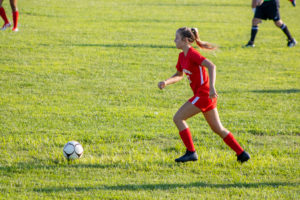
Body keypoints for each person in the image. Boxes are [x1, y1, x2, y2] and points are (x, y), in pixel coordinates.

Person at [158, 27, 250, 163]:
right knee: (218, 128)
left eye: (176, 38)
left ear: (185, 40)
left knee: (178, 118)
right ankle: (242, 154)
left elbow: (211, 66)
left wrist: (212, 87)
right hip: (205, 97)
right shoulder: (181, 56)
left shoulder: (192, 54)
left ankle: (191, 152)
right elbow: (179, 75)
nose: (174, 41)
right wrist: (166, 82)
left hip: (204, 95)